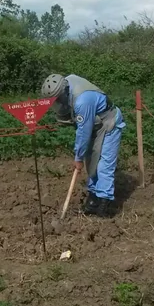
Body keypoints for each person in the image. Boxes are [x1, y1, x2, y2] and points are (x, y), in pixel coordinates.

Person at [41, 74, 125, 217]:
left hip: (109, 122)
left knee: (104, 165)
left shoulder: (82, 102)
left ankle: (105, 204)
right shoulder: (66, 83)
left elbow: (83, 133)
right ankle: (93, 199)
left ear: (64, 93)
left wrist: (78, 158)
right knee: (92, 161)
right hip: (95, 125)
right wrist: (82, 157)